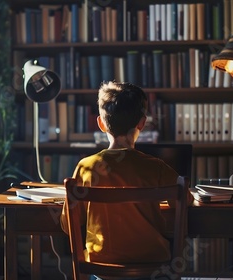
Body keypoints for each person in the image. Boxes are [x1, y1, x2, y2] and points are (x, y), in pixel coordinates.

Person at [60, 81, 194, 275]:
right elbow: (186, 202)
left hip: (102, 268)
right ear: (142, 122)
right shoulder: (156, 167)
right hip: (152, 268)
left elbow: (67, 225)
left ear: (101, 124)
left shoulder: (86, 167)